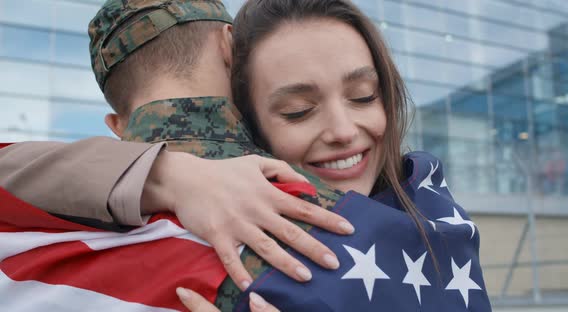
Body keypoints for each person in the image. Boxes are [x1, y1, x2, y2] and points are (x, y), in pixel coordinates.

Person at [1, 0, 490, 310]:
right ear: (242, 109)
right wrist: (169, 174)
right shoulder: (228, 243)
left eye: (364, 95)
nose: (343, 130)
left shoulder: (435, 215)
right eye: (298, 111)